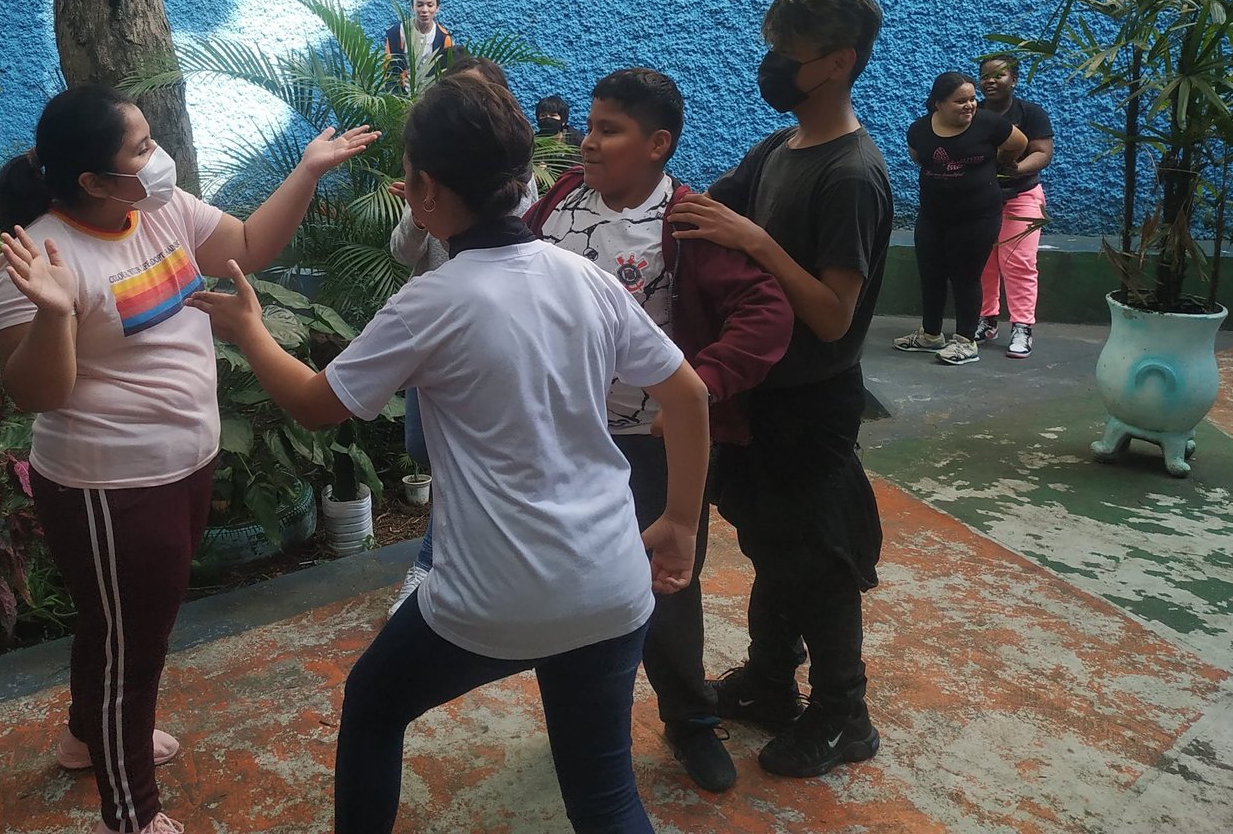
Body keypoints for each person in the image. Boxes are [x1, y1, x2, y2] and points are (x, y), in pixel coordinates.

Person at [191, 72, 713, 834]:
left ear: (426, 193)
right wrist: (681, 523)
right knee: (604, 797)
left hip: (492, 600)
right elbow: (690, 396)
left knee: (373, 704)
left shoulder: (430, 302)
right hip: (611, 584)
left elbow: (315, 403)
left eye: (409, 177)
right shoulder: (585, 280)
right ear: (522, 175)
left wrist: (249, 330)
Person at [0, 84, 375, 834]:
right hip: (109, 486)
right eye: (141, 149)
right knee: (134, 648)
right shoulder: (37, 259)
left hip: (185, 463)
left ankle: (85, 738)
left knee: (117, 623)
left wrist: (307, 171)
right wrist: (55, 313)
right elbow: (38, 393)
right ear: (94, 180)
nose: (158, 156)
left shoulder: (161, 210)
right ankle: (131, 812)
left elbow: (249, 247)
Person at [524, 68, 794, 795]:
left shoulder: (688, 221)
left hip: (649, 445)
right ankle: (585, 721)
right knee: (566, 585)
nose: (588, 141)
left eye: (608, 130)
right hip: (562, 438)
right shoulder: (560, 199)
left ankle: (691, 721)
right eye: (590, 125)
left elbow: (767, 314)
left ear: (657, 144)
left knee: (665, 583)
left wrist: (697, 388)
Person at [668, 0, 892, 779]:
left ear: (837, 61)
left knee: (818, 558)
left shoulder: (851, 174)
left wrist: (757, 242)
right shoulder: (779, 148)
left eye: (788, 53)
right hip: (761, 392)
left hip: (813, 400)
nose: (773, 66)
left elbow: (833, 315)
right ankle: (771, 679)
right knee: (771, 543)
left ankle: (844, 713)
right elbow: (700, 208)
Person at [383, 55, 536, 616]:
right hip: (436, 333)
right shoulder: (432, 192)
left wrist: (248, 329)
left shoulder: (515, 190)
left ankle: (435, 562)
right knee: (425, 447)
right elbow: (402, 251)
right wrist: (420, 207)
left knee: (472, 458)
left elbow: (317, 401)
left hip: (490, 333)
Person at [893, 72, 1027, 366]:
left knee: (966, 277)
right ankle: (930, 335)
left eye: (972, 99)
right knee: (931, 274)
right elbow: (918, 157)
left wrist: (1000, 162)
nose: (970, 105)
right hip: (932, 215)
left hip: (977, 216)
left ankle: (966, 341)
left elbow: (1019, 142)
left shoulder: (989, 124)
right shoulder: (919, 130)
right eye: (960, 101)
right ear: (938, 103)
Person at [974, 54, 1054, 358]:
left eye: (999, 75)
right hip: (980, 199)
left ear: (1014, 80)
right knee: (983, 262)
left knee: (1019, 263)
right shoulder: (973, 112)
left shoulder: (1030, 113)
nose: (990, 81)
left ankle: (1022, 326)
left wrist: (1017, 169)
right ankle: (987, 320)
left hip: (1022, 196)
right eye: (985, 76)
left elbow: (1042, 153)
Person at [384, 0, 454, 89]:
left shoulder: (443, 38)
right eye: (420, 5)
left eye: (430, 5)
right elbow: (388, 70)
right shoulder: (397, 33)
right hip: (399, 94)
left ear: (437, 8)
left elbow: (446, 73)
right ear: (412, 7)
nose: (425, 10)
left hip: (430, 94)